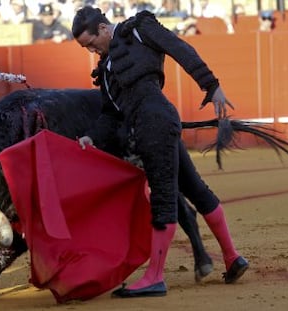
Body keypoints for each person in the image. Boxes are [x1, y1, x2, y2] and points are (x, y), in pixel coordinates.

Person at [71, 6, 249, 298]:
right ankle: (232, 257)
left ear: (103, 28)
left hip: (155, 122)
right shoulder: (105, 71)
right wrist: (92, 136)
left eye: (90, 42)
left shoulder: (138, 30)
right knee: (194, 189)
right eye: (85, 47)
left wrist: (211, 85)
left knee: (164, 197)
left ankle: (155, 277)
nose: (90, 50)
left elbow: (178, 48)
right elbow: (110, 115)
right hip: (152, 125)